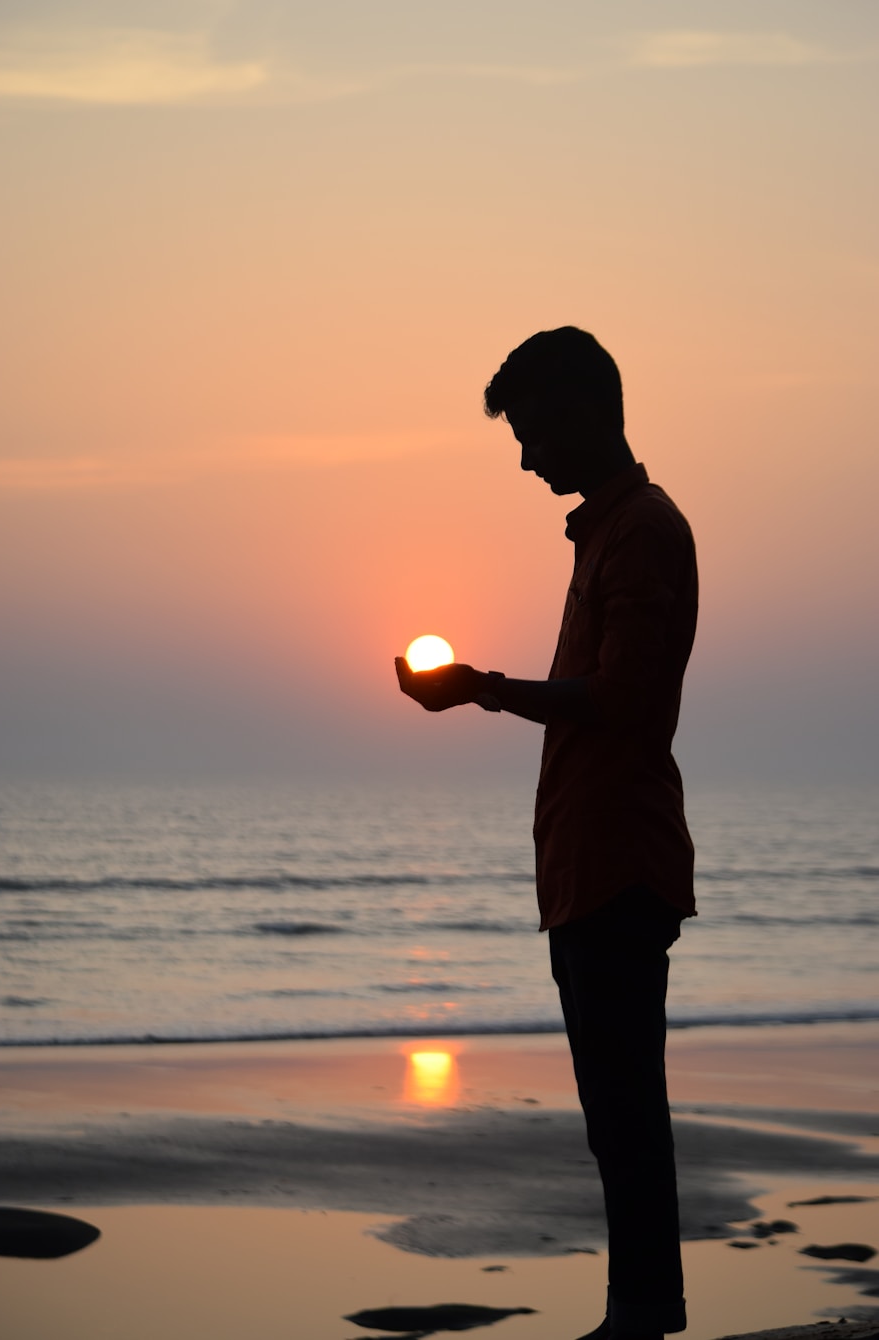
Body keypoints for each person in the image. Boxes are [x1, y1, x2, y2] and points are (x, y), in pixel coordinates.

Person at [395, 327, 698, 1340]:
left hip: (618, 861)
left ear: (581, 413)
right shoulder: (606, 532)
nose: (524, 456)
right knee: (614, 1112)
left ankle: (642, 1312)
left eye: (529, 432)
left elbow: (621, 696)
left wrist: (482, 687)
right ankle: (638, 1308)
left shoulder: (642, 529)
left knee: (623, 1109)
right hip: (588, 864)